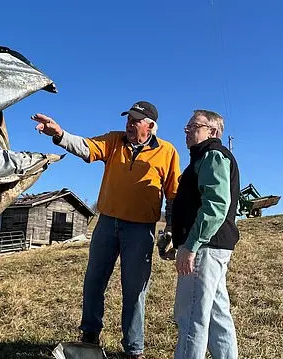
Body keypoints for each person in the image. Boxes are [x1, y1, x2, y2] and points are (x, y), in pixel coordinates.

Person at [32, 101, 181, 358]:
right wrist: (59, 133)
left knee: (135, 289)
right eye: (129, 119)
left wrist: (173, 228)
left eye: (136, 120)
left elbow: (174, 194)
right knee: (93, 281)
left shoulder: (167, 152)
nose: (130, 124)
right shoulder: (114, 141)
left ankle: (134, 349)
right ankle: (89, 337)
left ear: (151, 126)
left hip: (140, 229)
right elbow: (86, 147)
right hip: (107, 224)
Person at [171, 109, 240, 359]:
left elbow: (215, 205)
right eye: (187, 126)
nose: (187, 131)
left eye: (194, 126)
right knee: (216, 313)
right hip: (213, 247)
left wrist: (191, 245)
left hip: (205, 247)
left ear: (212, 131)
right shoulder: (203, 158)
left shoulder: (212, 155)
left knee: (191, 316)